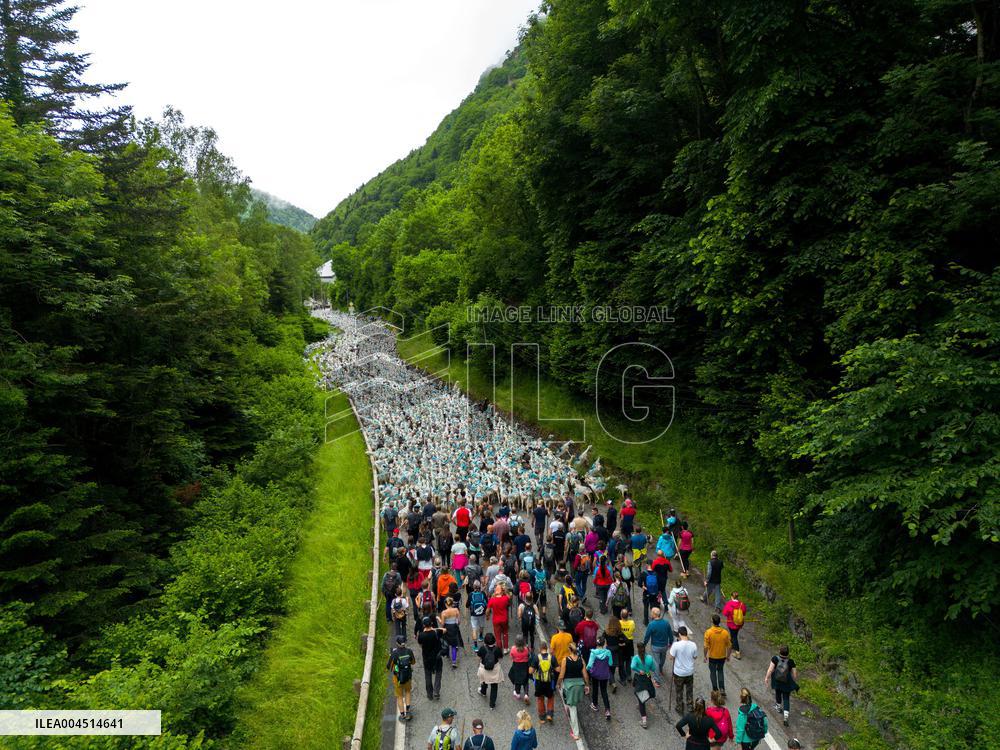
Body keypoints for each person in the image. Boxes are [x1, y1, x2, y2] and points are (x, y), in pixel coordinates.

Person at [556, 641, 588, 741]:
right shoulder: (581, 660)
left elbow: (561, 675)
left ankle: (576, 733)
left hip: (570, 686)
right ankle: (568, 706)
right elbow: (585, 674)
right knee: (572, 704)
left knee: (573, 708)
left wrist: (558, 683)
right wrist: (587, 685)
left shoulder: (565, 660)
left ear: (569, 650)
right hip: (579, 685)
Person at [764, 645, 799, 727]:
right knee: (786, 697)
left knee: (778, 693)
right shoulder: (791, 661)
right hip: (786, 682)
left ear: (779, 651)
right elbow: (794, 674)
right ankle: (786, 716)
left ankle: (778, 707)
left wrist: (767, 678)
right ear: (788, 653)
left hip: (777, 680)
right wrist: (794, 681)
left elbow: (770, 669)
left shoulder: (775, 659)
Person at [630, 641, 660, 729]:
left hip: (639, 679)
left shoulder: (636, 658)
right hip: (647, 677)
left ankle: (644, 721)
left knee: (641, 700)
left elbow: (632, 667)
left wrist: (639, 670)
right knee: (647, 694)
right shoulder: (650, 658)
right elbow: (653, 668)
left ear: (637, 649)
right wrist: (647, 669)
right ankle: (641, 703)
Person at [669, 626, 697, 715]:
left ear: (680, 634)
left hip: (679, 672)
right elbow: (695, 657)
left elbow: (671, 657)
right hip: (689, 672)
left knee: (679, 690)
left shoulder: (676, 645)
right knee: (689, 690)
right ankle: (690, 706)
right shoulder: (693, 645)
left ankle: (679, 707)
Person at [528, 640, 557, 724]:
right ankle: (549, 715)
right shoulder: (552, 657)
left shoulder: (536, 658)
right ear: (546, 648)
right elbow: (557, 669)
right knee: (550, 698)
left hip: (539, 682)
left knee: (540, 699)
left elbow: (530, 671)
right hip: (549, 682)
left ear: (540, 648)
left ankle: (542, 717)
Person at [387, 635, 415, 722]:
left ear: (397, 643)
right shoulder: (409, 651)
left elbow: (389, 667)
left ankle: (402, 714)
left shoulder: (394, 654)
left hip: (398, 678)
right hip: (408, 676)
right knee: (407, 692)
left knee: (399, 696)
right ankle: (408, 710)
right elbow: (413, 662)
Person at [704, 613, 732, 696]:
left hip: (712, 657)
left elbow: (705, 646)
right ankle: (722, 688)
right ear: (719, 622)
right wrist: (728, 656)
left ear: (712, 622)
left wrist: (705, 656)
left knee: (712, 672)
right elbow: (730, 645)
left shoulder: (708, 632)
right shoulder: (725, 633)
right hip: (722, 656)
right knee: (720, 671)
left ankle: (715, 689)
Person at [417, 616, 446, 700]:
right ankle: (436, 691)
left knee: (428, 675)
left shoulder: (421, 635)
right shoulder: (436, 632)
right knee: (438, 673)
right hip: (437, 656)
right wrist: (434, 628)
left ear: (423, 625)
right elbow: (445, 630)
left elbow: (420, 645)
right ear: (431, 624)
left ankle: (429, 694)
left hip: (427, 658)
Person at [586, 634, 614, 719]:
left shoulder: (593, 653)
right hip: (604, 674)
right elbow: (610, 663)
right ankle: (607, 710)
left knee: (595, 688)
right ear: (603, 644)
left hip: (595, 674)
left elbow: (589, 666)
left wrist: (589, 670)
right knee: (604, 691)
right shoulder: (608, 652)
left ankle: (595, 704)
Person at [476, 633, 505, 709]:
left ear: (485, 641)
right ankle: (492, 705)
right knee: (494, 687)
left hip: (484, 669)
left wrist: (478, 665)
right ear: (494, 641)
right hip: (494, 669)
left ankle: (483, 692)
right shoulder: (497, 649)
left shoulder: (482, 648)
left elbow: (478, 658)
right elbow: (500, 658)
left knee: (484, 681)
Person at [643, 606, 674, 674]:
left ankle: (656, 678)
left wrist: (644, 644)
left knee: (656, 662)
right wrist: (671, 643)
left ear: (654, 615)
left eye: (651, 613)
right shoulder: (666, 623)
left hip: (655, 646)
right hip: (664, 646)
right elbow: (670, 635)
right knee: (662, 660)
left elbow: (647, 636)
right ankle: (660, 668)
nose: (651, 614)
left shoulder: (651, 624)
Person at [721, 592, 747, 659]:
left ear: (731, 597)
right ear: (737, 597)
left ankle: (737, 652)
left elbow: (725, 613)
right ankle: (731, 645)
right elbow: (744, 613)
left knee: (734, 637)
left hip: (731, 623)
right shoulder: (742, 604)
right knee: (734, 634)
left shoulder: (729, 604)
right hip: (739, 623)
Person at [508, 634, 532, 704]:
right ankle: (526, 694)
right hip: (525, 665)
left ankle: (517, 693)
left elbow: (511, 658)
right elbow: (529, 655)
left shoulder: (513, 649)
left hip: (516, 665)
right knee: (525, 680)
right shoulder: (526, 649)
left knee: (517, 679)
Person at [487, 584, 511, 652]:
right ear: (501, 591)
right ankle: (506, 648)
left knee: (497, 636)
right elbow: (509, 598)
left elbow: (488, 610)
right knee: (505, 633)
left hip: (496, 620)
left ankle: (499, 649)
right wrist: (505, 591)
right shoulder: (505, 598)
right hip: (504, 619)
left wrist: (487, 616)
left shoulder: (492, 600)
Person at [441, 598, 465, 668]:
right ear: (452, 603)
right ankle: (454, 662)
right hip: (454, 628)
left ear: (446, 604)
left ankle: (447, 655)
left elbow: (442, 624)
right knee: (454, 645)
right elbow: (459, 622)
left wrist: (439, 619)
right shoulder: (456, 610)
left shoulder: (444, 612)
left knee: (447, 642)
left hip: (447, 629)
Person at [618, 607, 636, 686]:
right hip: (629, 643)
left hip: (621, 643)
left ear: (621, 615)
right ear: (627, 616)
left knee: (621, 662)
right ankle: (629, 675)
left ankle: (623, 678)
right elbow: (633, 630)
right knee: (628, 660)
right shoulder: (632, 623)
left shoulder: (618, 623)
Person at [468, 581, 488, 648]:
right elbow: (487, 603)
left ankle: (476, 646)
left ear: (473, 587)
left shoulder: (471, 594)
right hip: (482, 613)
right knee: (481, 625)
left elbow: (466, 605)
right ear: (480, 587)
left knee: (474, 628)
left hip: (473, 614)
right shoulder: (483, 593)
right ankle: (481, 636)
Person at [641, 561, 661, 625]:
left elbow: (639, 583)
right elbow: (660, 584)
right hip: (654, 593)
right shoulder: (657, 573)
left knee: (646, 607)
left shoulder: (644, 573)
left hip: (646, 593)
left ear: (647, 565)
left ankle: (646, 621)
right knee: (653, 606)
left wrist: (643, 587)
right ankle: (654, 619)